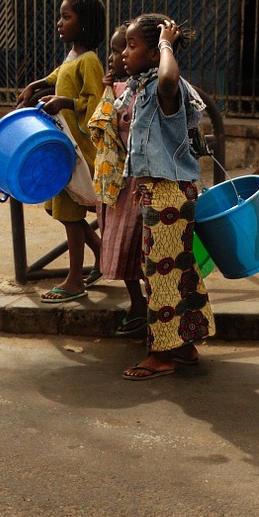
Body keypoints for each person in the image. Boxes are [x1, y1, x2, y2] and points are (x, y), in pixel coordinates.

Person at [117, 13, 216, 380]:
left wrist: (164, 43)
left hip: (168, 194)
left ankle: (162, 355)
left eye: (132, 45)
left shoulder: (167, 87)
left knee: (159, 275)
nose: (125, 53)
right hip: (161, 192)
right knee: (177, 271)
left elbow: (169, 76)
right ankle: (185, 345)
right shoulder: (142, 87)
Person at [15, 0, 105, 304]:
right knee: (69, 211)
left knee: (70, 213)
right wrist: (36, 84)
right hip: (65, 147)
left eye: (66, 17)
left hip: (78, 153)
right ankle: (102, 255)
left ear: (84, 24)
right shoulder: (74, 57)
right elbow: (58, 74)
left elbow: (96, 103)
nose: (59, 23)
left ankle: (74, 279)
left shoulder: (91, 61)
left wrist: (65, 102)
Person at [87, 22, 148, 336]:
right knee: (121, 249)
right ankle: (137, 304)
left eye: (122, 48)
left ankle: (147, 307)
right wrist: (107, 91)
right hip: (115, 186)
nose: (115, 56)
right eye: (112, 50)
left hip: (137, 184)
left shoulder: (146, 92)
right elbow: (102, 128)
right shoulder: (118, 90)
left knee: (139, 249)